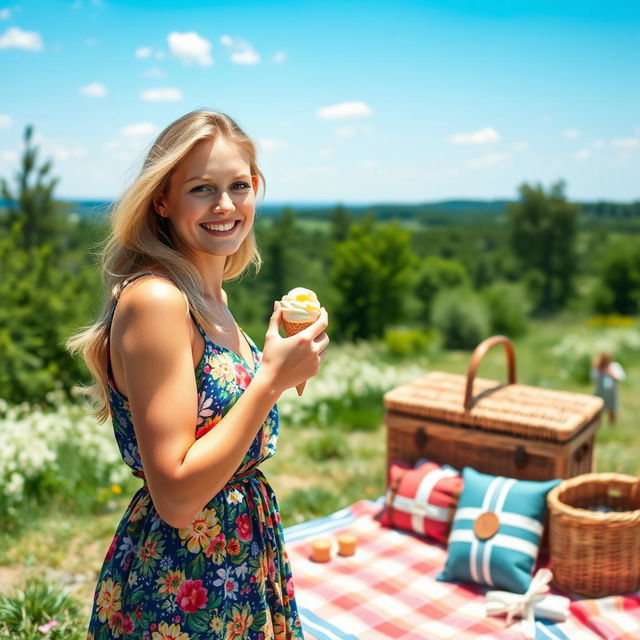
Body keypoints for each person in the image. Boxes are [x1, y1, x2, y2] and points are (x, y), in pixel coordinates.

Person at [66, 110, 329, 639]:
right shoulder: (157, 300)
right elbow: (178, 498)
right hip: (185, 581)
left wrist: (284, 365)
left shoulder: (213, 298)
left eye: (238, 185)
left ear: (256, 189)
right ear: (162, 199)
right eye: (202, 189)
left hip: (242, 559)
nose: (225, 205)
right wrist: (270, 380)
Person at [590, 351, 625, 425]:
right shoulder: (598, 368)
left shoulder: (615, 366)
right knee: (598, 409)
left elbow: (621, 378)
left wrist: (611, 373)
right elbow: (593, 379)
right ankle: (597, 424)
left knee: (612, 408)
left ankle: (612, 424)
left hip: (612, 392)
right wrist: (600, 371)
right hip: (600, 392)